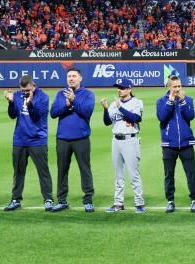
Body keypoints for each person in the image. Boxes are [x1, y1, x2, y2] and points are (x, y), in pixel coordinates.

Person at [3, 74, 53, 211]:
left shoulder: (43, 97)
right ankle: (15, 199)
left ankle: (48, 199)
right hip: (20, 140)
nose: (25, 93)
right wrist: (11, 102)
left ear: (33, 85)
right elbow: (12, 115)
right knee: (18, 172)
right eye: (23, 90)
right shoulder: (18, 95)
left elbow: (37, 117)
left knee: (43, 172)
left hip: (37, 140)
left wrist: (30, 104)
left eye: (27, 90)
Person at [51, 67, 96, 212]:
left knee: (85, 169)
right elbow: (53, 113)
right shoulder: (60, 94)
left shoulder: (88, 94)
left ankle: (88, 199)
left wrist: (74, 101)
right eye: (69, 76)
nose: (71, 78)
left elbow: (87, 112)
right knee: (62, 170)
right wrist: (67, 104)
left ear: (80, 78)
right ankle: (62, 200)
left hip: (81, 138)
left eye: (74, 76)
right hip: (63, 138)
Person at [157, 74, 195, 213]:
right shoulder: (161, 101)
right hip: (169, 144)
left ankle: (194, 200)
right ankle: (170, 201)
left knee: (191, 174)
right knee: (169, 174)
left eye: (179, 86)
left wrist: (182, 101)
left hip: (186, 143)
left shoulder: (188, 99)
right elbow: (162, 117)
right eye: (174, 86)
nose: (177, 89)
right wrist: (170, 101)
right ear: (169, 87)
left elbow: (191, 116)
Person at [103, 78, 145, 213]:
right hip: (116, 141)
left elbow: (136, 118)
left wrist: (120, 108)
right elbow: (107, 122)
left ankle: (139, 203)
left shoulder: (137, 102)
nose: (119, 90)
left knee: (134, 174)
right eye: (118, 87)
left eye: (122, 88)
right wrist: (105, 109)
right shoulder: (114, 104)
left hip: (130, 140)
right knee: (118, 174)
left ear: (129, 89)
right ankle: (118, 203)